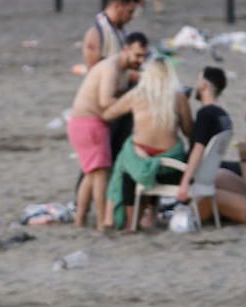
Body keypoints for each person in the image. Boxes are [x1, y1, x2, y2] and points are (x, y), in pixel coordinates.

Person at [68, 33, 149, 229]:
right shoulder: (111, 68)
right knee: (102, 174)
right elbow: (106, 102)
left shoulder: (122, 69)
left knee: (91, 174)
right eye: (138, 55)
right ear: (126, 49)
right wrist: (134, 104)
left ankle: (80, 220)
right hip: (90, 124)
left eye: (144, 56)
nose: (141, 60)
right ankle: (104, 221)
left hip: (82, 123)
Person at [102, 57, 192, 230]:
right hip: (171, 169)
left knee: (127, 155)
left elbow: (108, 114)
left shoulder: (136, 96)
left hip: (139, 168)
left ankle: (126, 220)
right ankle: (151, 214)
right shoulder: (179, 98)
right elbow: (189, 131)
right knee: (155, 158)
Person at [175, 66, 232, 204]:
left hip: (192, 173)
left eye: (198, 80)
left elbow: (198, 149)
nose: (196, 85)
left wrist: (185, 182)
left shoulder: (205, 114)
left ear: (204, 85)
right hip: (209, 173)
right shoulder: (223, 116)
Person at [82, 0, 140, 69]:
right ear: (117, 6)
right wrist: (130, 75)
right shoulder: (96, 33)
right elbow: (94, 71)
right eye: (130, 12)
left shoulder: (119, 29)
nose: (131, 17)